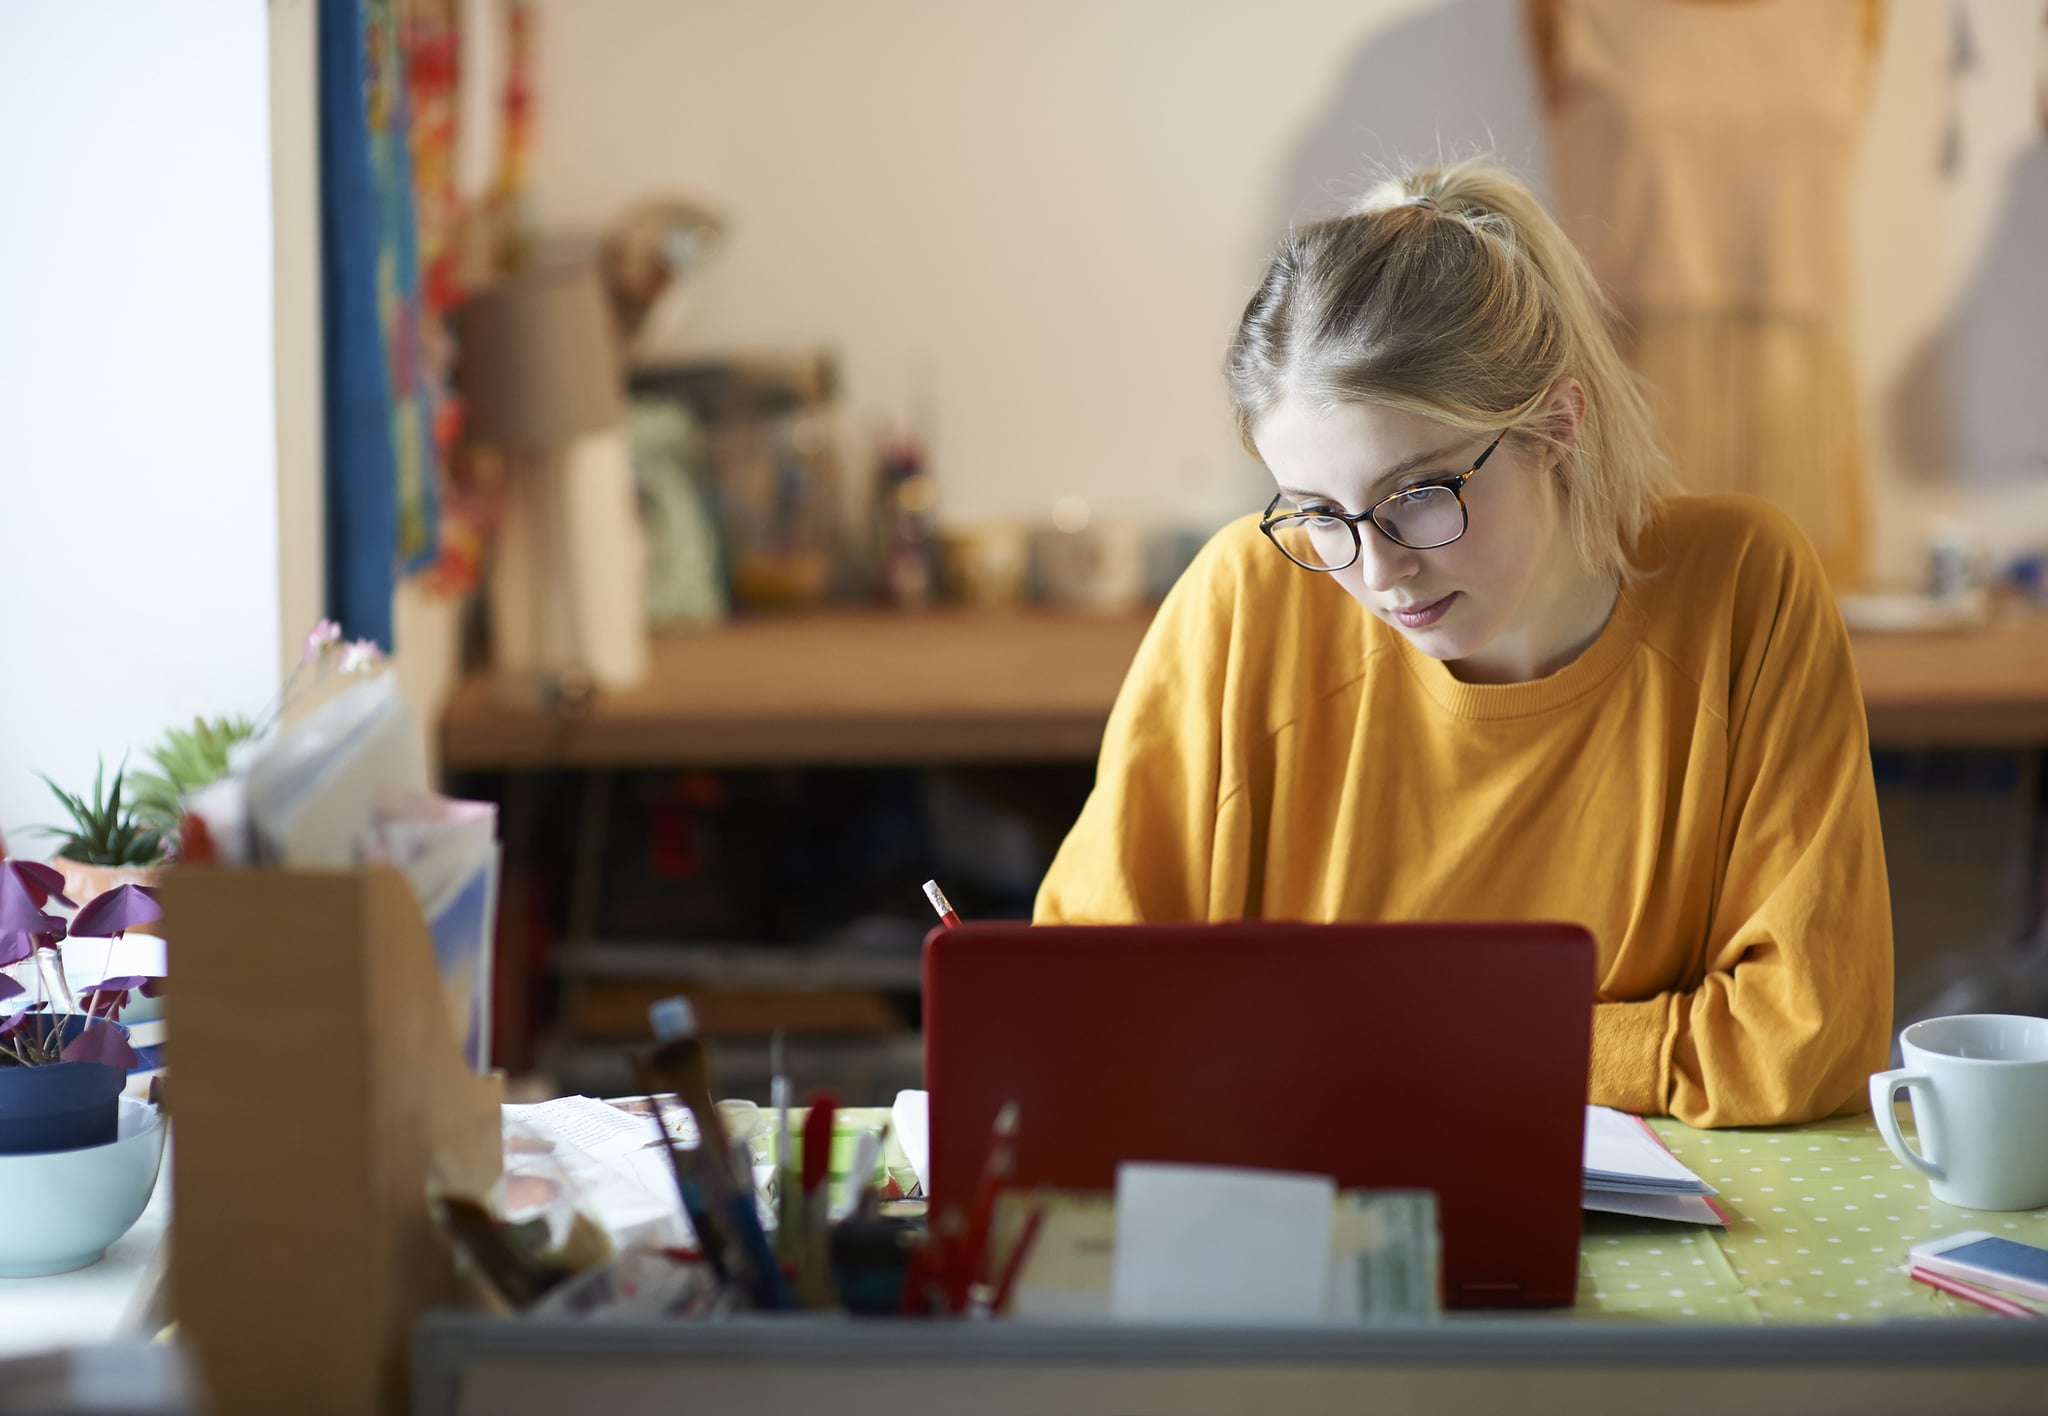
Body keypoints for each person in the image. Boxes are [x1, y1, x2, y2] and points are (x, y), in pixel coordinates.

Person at [1033, 159, 1892, 1128]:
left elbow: (1802, 1041)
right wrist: (1611, 1043)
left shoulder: (1741, 586)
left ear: (1554, 428)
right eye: (1319, 512)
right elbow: (1084, 996)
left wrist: (1373, 1037)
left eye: (1417, 495)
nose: (1376, 572)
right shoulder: (1245, 597)